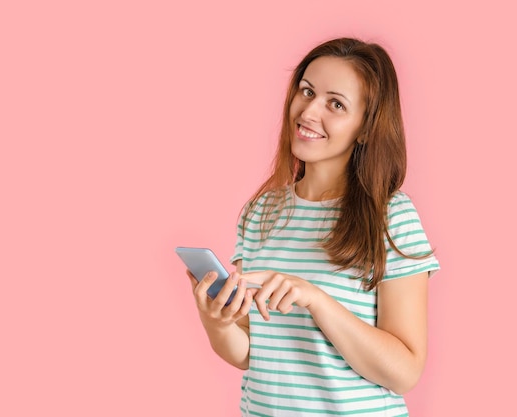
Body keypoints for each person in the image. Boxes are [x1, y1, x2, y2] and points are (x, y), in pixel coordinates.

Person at [186, 37, 440, 416]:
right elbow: (251, 352)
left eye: (335, 104)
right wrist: (217, 322)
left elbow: (404, 373)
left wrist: (317, 300)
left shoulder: (390, 217)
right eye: (307, 91)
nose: (308, 111)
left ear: (366, 128)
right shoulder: (261, 211)